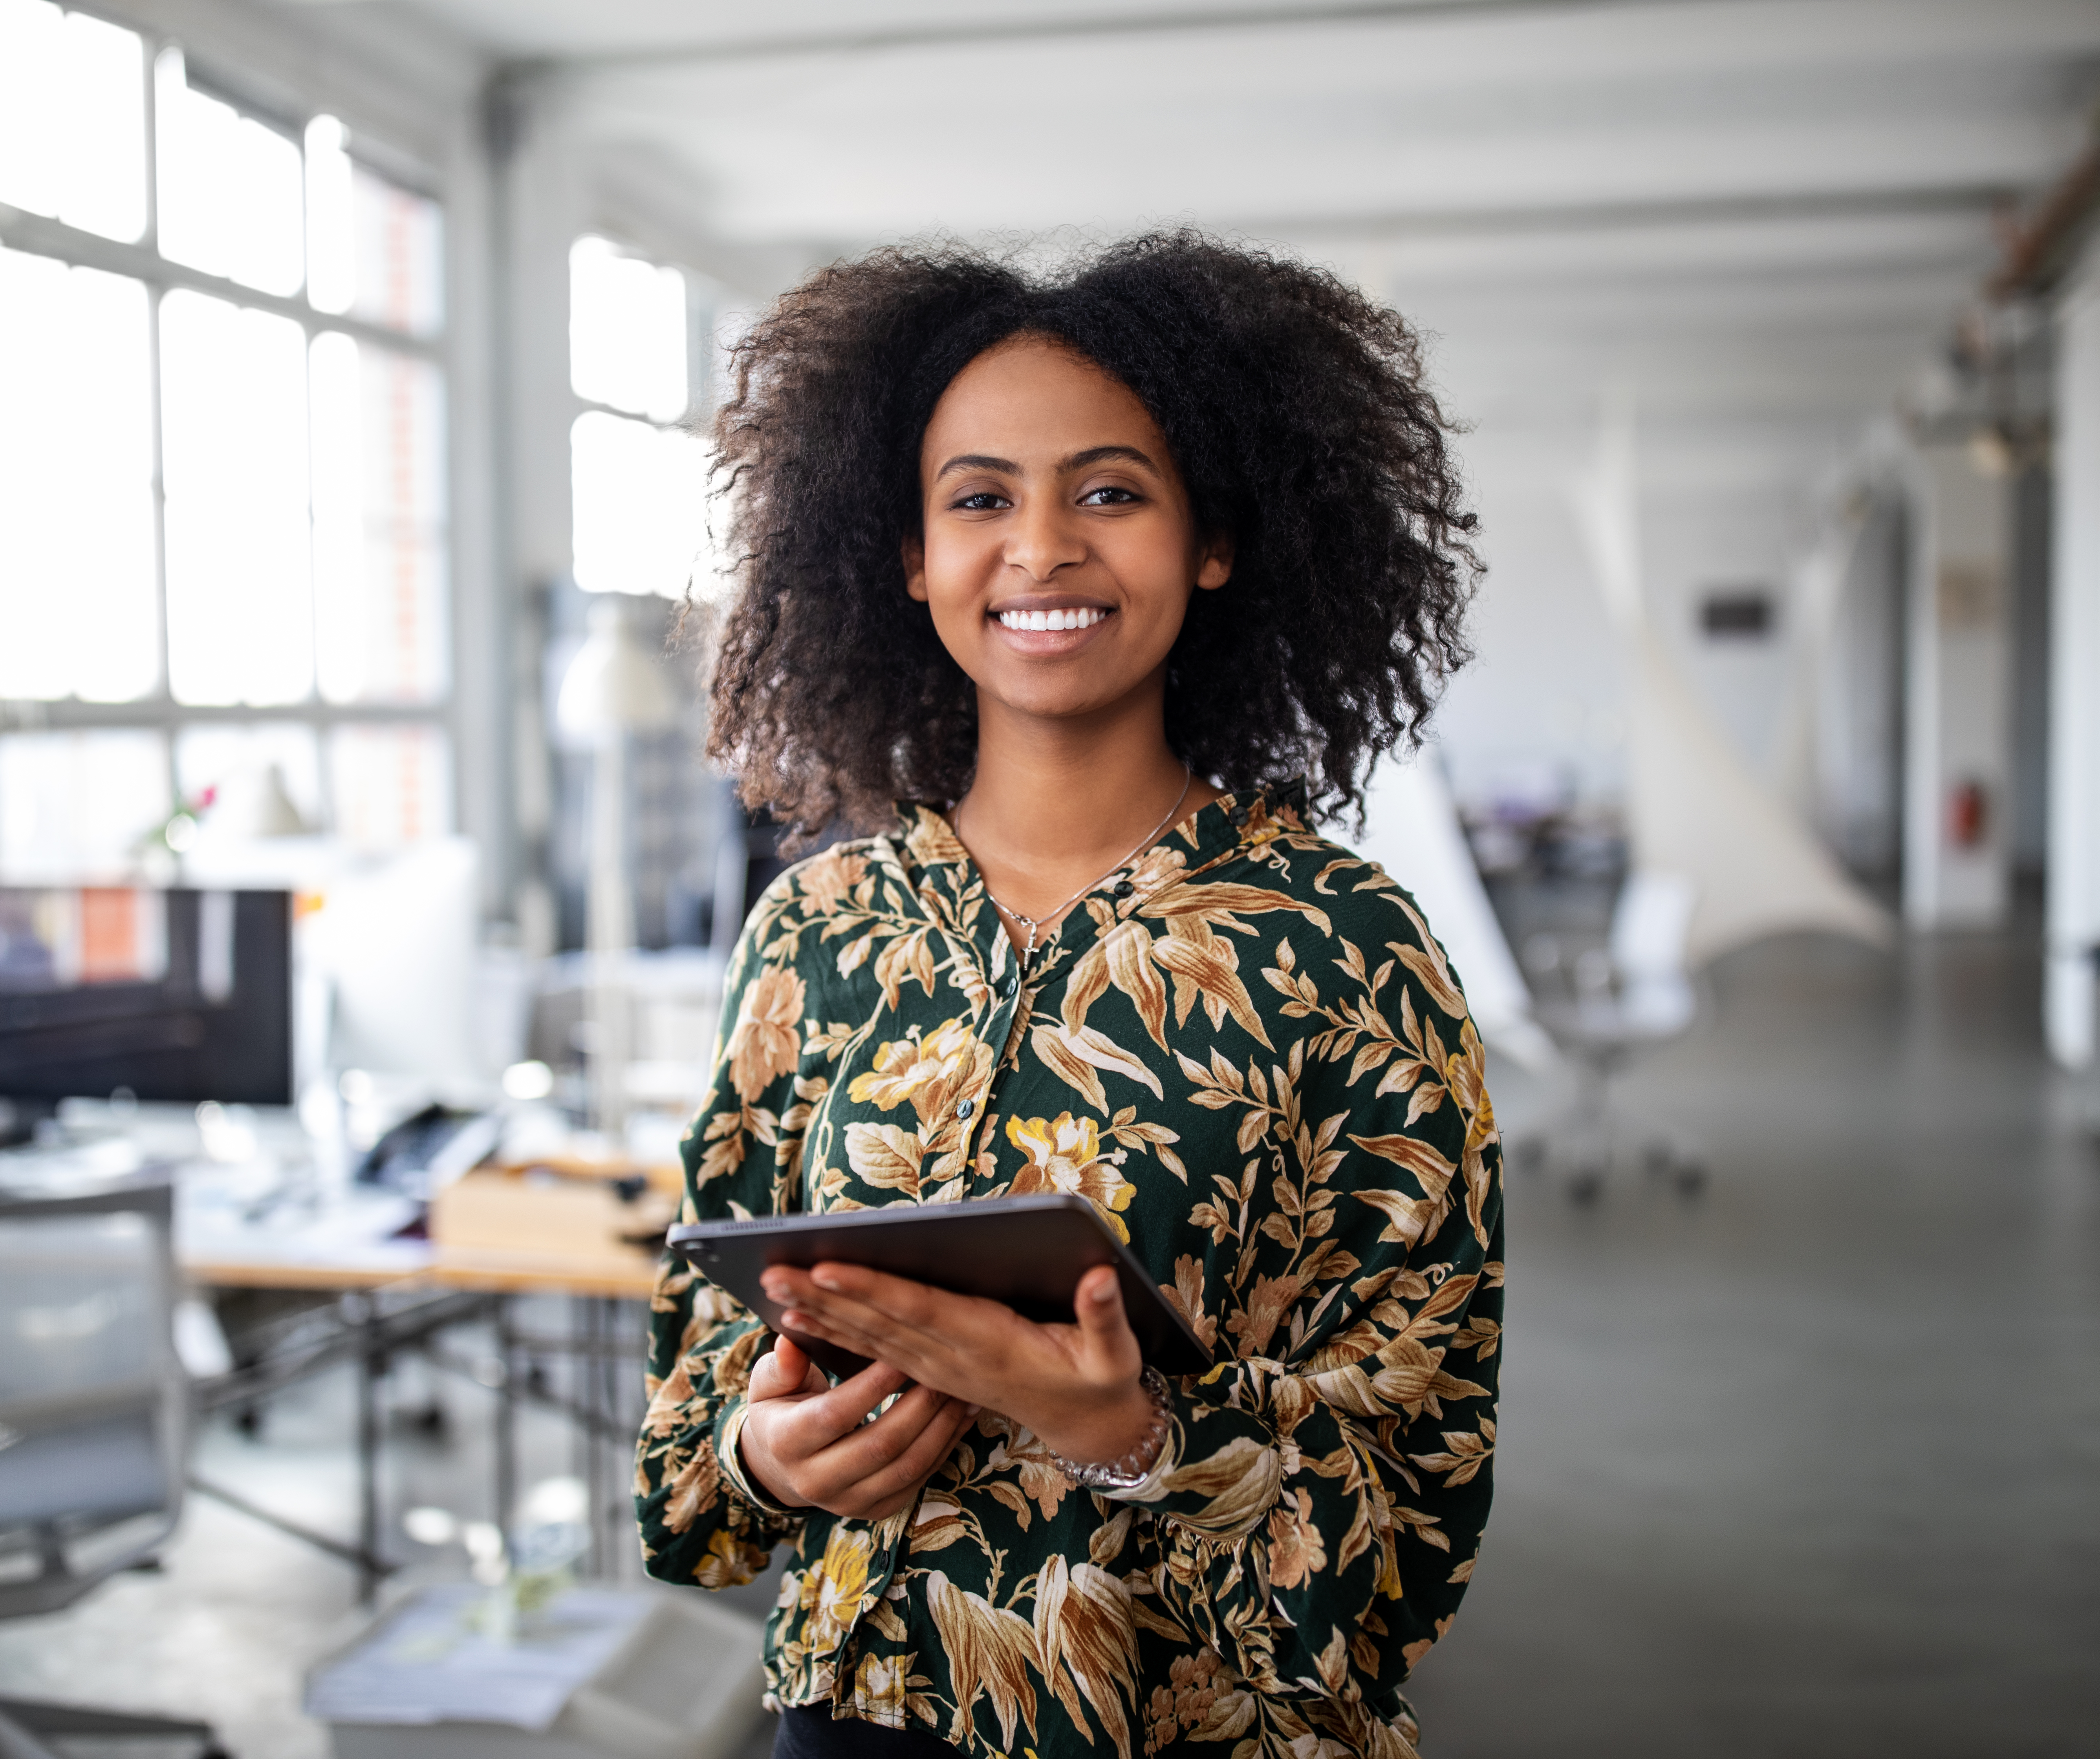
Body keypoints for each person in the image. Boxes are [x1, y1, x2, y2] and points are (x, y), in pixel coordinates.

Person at [636, 231, 1503, 1759]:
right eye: (979, 498)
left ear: (1213, 539)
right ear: (908, 556)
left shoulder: (1347, 948)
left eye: (1110, 490)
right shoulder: (816, 936)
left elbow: (1418, 1510)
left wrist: (1136, 1434)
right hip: (860, 1726)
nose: (1040, 549)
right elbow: (687, 1462)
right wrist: (769, 1452)